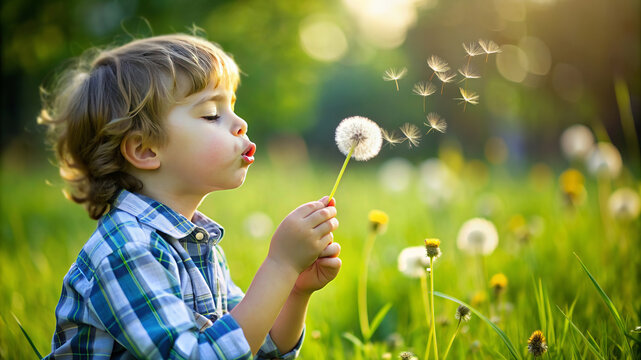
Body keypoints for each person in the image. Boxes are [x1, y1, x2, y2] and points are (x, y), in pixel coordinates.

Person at [38, 33, 341, 359]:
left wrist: (295, 289)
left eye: (233, 107)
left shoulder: (195, 243)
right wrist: (279, 266)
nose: (240, 124)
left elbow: (256, 346)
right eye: (212, 113)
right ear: (144, 149)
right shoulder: (127, 250)